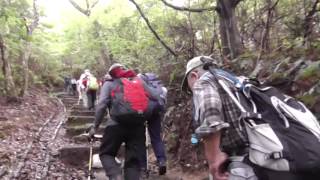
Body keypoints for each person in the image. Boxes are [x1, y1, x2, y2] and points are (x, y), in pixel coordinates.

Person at [182, 56, 320, 180]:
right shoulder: (241, 81)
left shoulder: (203, 82)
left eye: (189, 88)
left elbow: (211, 114)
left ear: (194, 75)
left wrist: (214, 159)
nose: (191, 92)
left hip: (248, 162)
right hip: (278, 155)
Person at [88, 63, 160, 180]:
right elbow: (155, 97)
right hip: (138, 126)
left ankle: (115, 175)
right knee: (133, 162)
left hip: (115, 125)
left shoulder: (109, 83)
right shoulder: (139, 82)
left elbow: (101, 105)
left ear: (111, 73)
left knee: (106, 154)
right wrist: (145, 115)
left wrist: (95, 127)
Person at [138, 73, 167, 175]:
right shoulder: (156, 86)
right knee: (156, 138)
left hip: (142, 112)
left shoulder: (138, 82)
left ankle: (142, 167)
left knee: (140, 139)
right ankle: (161, 161)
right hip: (156, 111)